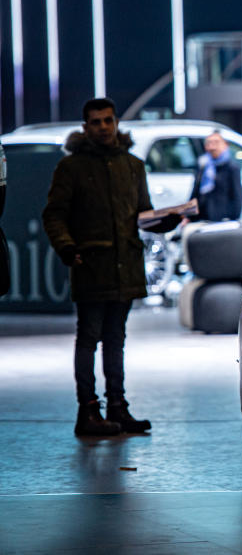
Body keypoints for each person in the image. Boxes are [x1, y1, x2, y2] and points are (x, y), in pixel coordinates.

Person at [43, 98, 181, 436]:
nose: (103, 127)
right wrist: (67, 247)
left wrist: (166, 222)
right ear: (85, 127)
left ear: (116, 122)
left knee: (115, 339)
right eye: (96, 122)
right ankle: (88, 410)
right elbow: (54, 214)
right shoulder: (72, 168)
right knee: (90, 337)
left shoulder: (133, 165)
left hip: (125, 264)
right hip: (91, 263)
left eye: (108, 120)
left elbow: (143, 215)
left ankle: (117, 408)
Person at [190, 131, 242, 222]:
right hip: (202, 218)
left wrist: (233, 218)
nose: (212, 146)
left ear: (225, 145)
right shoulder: (203, 165)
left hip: (221, 219)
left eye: (216, 142)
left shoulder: (231, 168)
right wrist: (189, 216)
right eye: (209, 143)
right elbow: (195, 193)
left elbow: (237, 196)